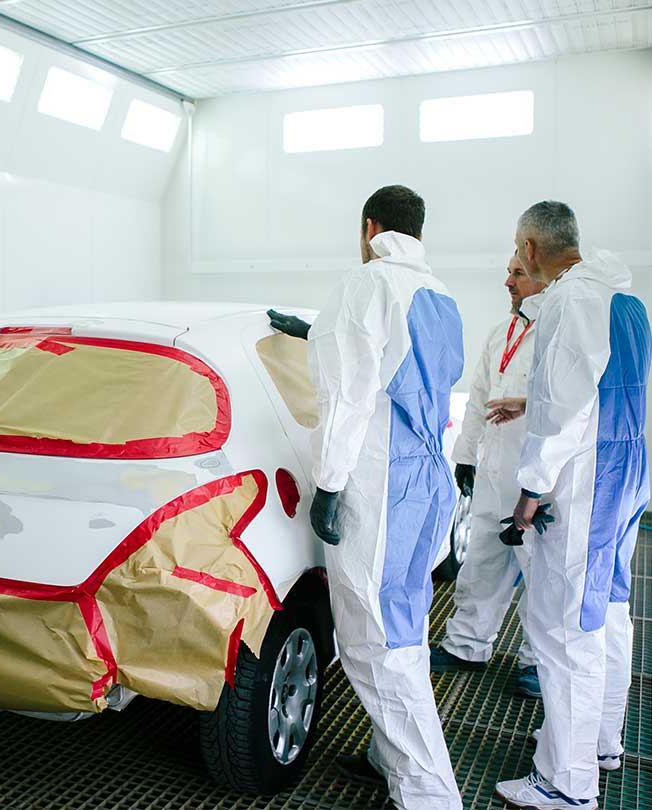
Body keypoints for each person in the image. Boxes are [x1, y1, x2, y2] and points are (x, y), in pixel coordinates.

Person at [273, 185, 465, 810]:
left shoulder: (366, 285)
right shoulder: (438, 294)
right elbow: (394, 369)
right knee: (405, 625)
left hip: (378, 485)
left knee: (378, 645)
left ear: (369, 226)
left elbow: (347, 400)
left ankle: (429, 796)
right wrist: (318, 334)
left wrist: (328, 486)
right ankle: (389, 754)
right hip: (423, 482)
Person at [495, 202, 649, 810]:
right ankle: (600, 743)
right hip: (628, 472)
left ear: (531, 248)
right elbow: (602, 390)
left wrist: (530, 493)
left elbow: (564, 407)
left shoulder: (568, 301)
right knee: (608, 612)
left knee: (564, 631)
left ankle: (565, 782)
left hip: (586, 485)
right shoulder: (625, 301)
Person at [429, 253, 547, 697]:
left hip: (537, 478)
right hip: (496, 470)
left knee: (538, 572)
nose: (508, 282)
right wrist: (465, 456)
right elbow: (480, 395)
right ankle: (467, 644)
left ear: (540, 279)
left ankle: (537, 663)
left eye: (517, 274)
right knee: (481, 561)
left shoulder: (554, 336)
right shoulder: (502, 334)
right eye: (509, 273)